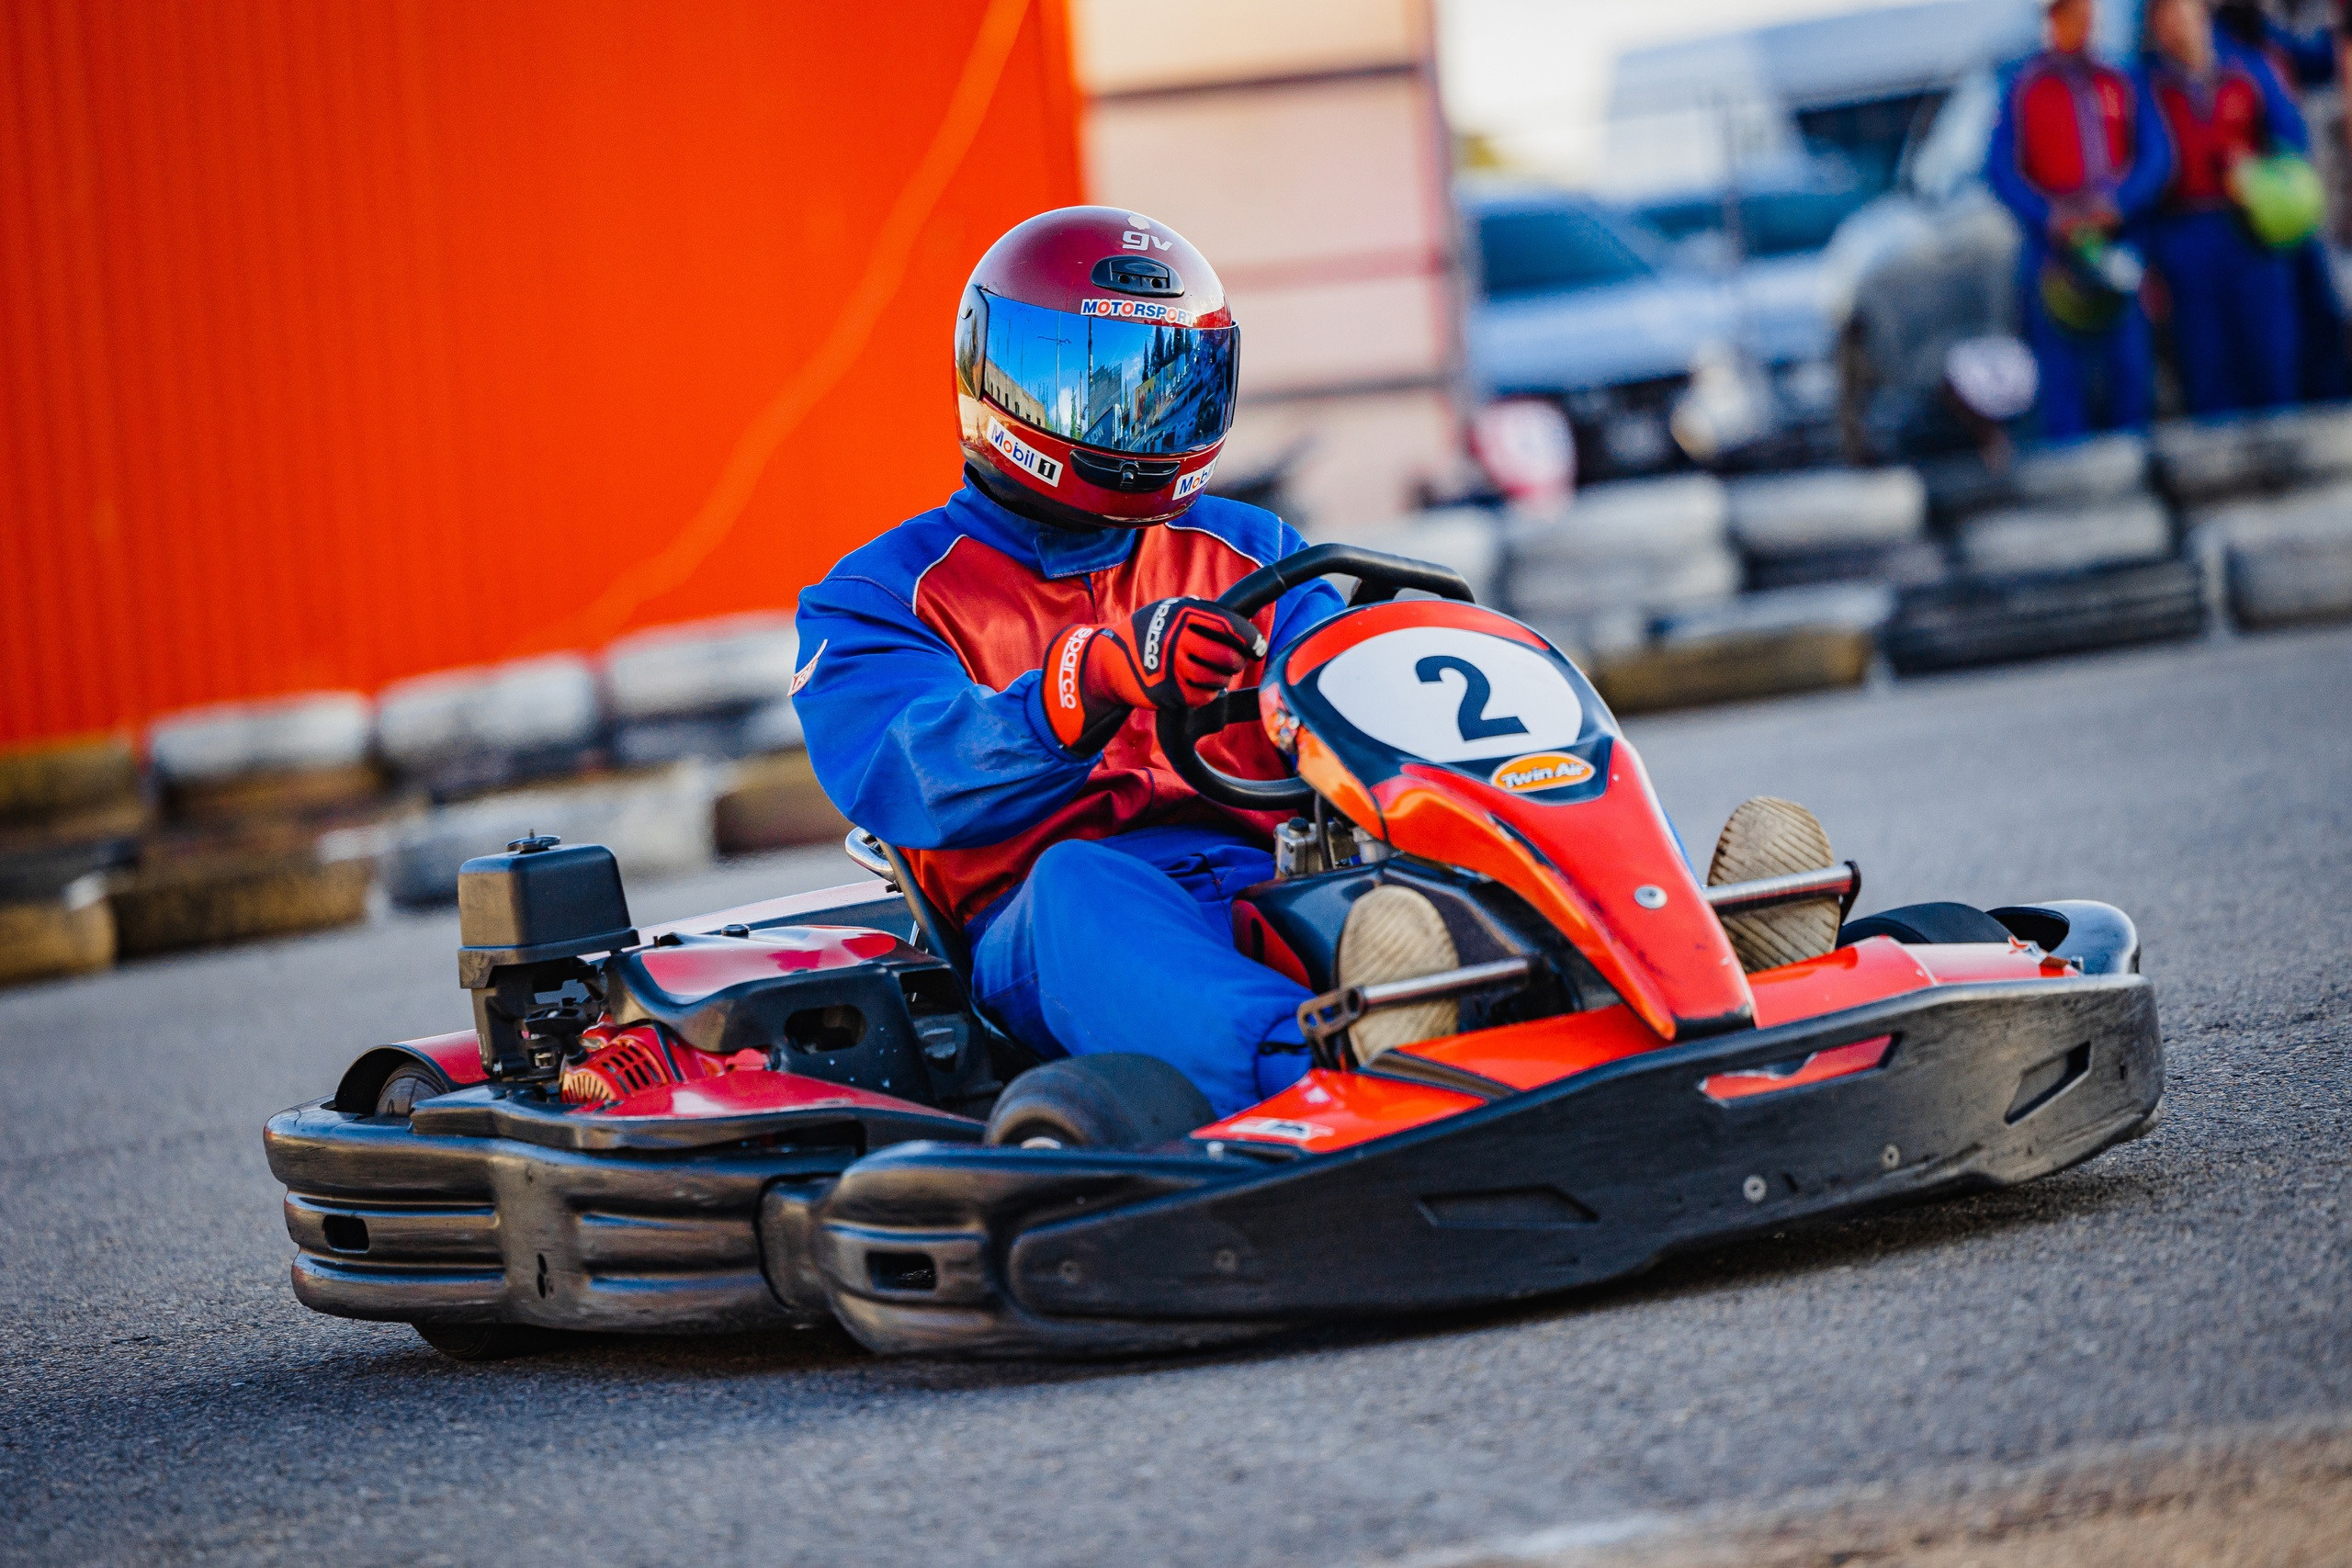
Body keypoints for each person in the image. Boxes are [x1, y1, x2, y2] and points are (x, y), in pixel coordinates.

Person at [790, 208, 1349, 1117]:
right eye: (1099, 387)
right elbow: (913, 768)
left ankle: (1613, 989)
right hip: (1042, 929)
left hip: (1270, 874)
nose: (1137, 417)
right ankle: (1315, 1072)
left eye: (1166, 385)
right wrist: (1087, 681)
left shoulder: (1254, 549)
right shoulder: (885, 594)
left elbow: (1342, 687)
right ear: (999, 379)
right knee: (1083, 883)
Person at [1986, 0, 2175, 439]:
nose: (2079, 22)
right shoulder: (2023, 89)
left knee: (2129, 374)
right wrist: (2048, 214)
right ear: (2049, 20)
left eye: (2085, 11)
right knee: (2063, 387)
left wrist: (2118, 203)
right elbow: (1999, 172)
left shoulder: (2119, 81)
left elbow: (2156, 157)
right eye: (2067, 13)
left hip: (2117, 251)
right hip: (2053, 261)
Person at [2140, 0, 2312, 414]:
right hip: (2186, 233)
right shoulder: (2148, 85)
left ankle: (2282, 463)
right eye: (2162, 14)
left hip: (2251, 229)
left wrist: (2257, 171)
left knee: (2270, 356)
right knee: (2207, 367)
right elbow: (2146, 168)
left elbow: (2293, 140)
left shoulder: (2247, 68)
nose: (2174, 22)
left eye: (2180, 9)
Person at [2213, 0, 2350, 399]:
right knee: (2275, 339)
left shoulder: (2269, 39)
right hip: (2254, 214)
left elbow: (2319, 60)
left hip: (2296, 202)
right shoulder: (2227, 50)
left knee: (2319, 317)